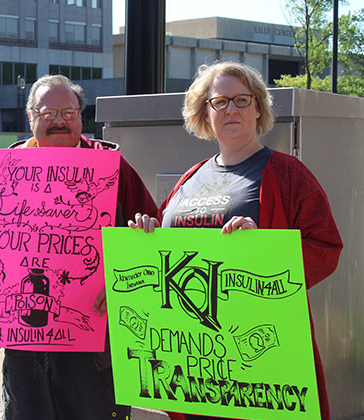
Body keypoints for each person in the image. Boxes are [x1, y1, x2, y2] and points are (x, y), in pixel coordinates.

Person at [129, 62, 343, 420]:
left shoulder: (288, 174)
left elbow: (326, 247)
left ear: (258, 108)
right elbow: (166, 253)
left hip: (254, 362)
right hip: (193, 362)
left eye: (242, 100)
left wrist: (265, 247)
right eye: (220, 101)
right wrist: (147, 233)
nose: (231, 109)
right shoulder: (190, 179)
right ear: (205, 113)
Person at [0, 74, 158, 420]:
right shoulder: (5, 170)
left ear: (82, 116)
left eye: (69, 112)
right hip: (22, 343)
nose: (59, 121)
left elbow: (150, 234)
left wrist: (124, 281)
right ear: (30, 117)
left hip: (93, 343)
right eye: (48, 113)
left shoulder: (111, 168)